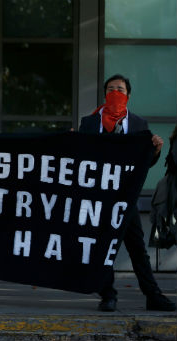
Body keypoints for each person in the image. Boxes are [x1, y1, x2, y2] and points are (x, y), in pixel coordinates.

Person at [79, 74, 176, 312]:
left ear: (128, 96)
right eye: (111, 89)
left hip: (126, 196)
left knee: (136, 247)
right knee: (102, 247)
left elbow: (144, 164)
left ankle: (153, 295)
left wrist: (154, 152)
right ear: (105, 95)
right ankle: (108, 294)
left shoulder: (138, 124)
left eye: (120, 89)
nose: (115, 93)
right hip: (99, 197)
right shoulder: (90, 123)